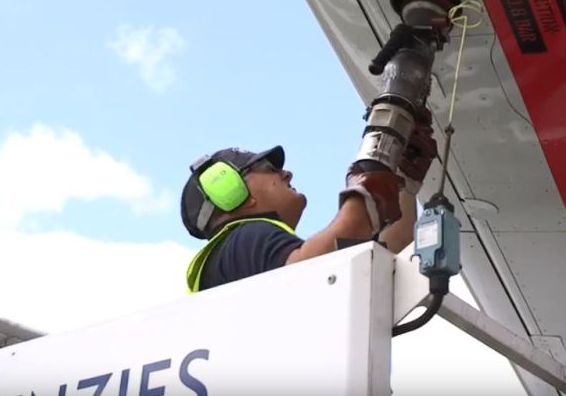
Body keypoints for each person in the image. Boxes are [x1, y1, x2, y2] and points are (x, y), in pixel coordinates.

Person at [181, 123, 437, 293]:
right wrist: (369, 180)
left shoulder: (238, 259)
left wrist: (402, 180)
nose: (287, 174)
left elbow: (390, 242)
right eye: (270, 169)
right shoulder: (244, 240)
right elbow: (311, 271)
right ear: (231, 192)